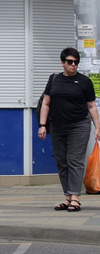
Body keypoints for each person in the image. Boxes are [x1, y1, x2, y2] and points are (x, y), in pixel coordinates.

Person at [38, 47, 100, 212]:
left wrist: (97, 127)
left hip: (79, 125)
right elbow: (46, 103)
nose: (74, 65)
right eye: (70, 62)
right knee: (62, 161)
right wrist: (42, 125)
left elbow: (92, 106)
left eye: (76, 62)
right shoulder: (54, 80)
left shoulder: (84, 82)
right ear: (63, 63)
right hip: (57, 126)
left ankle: (75, 198)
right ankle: (67, 197)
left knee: (75, 160)